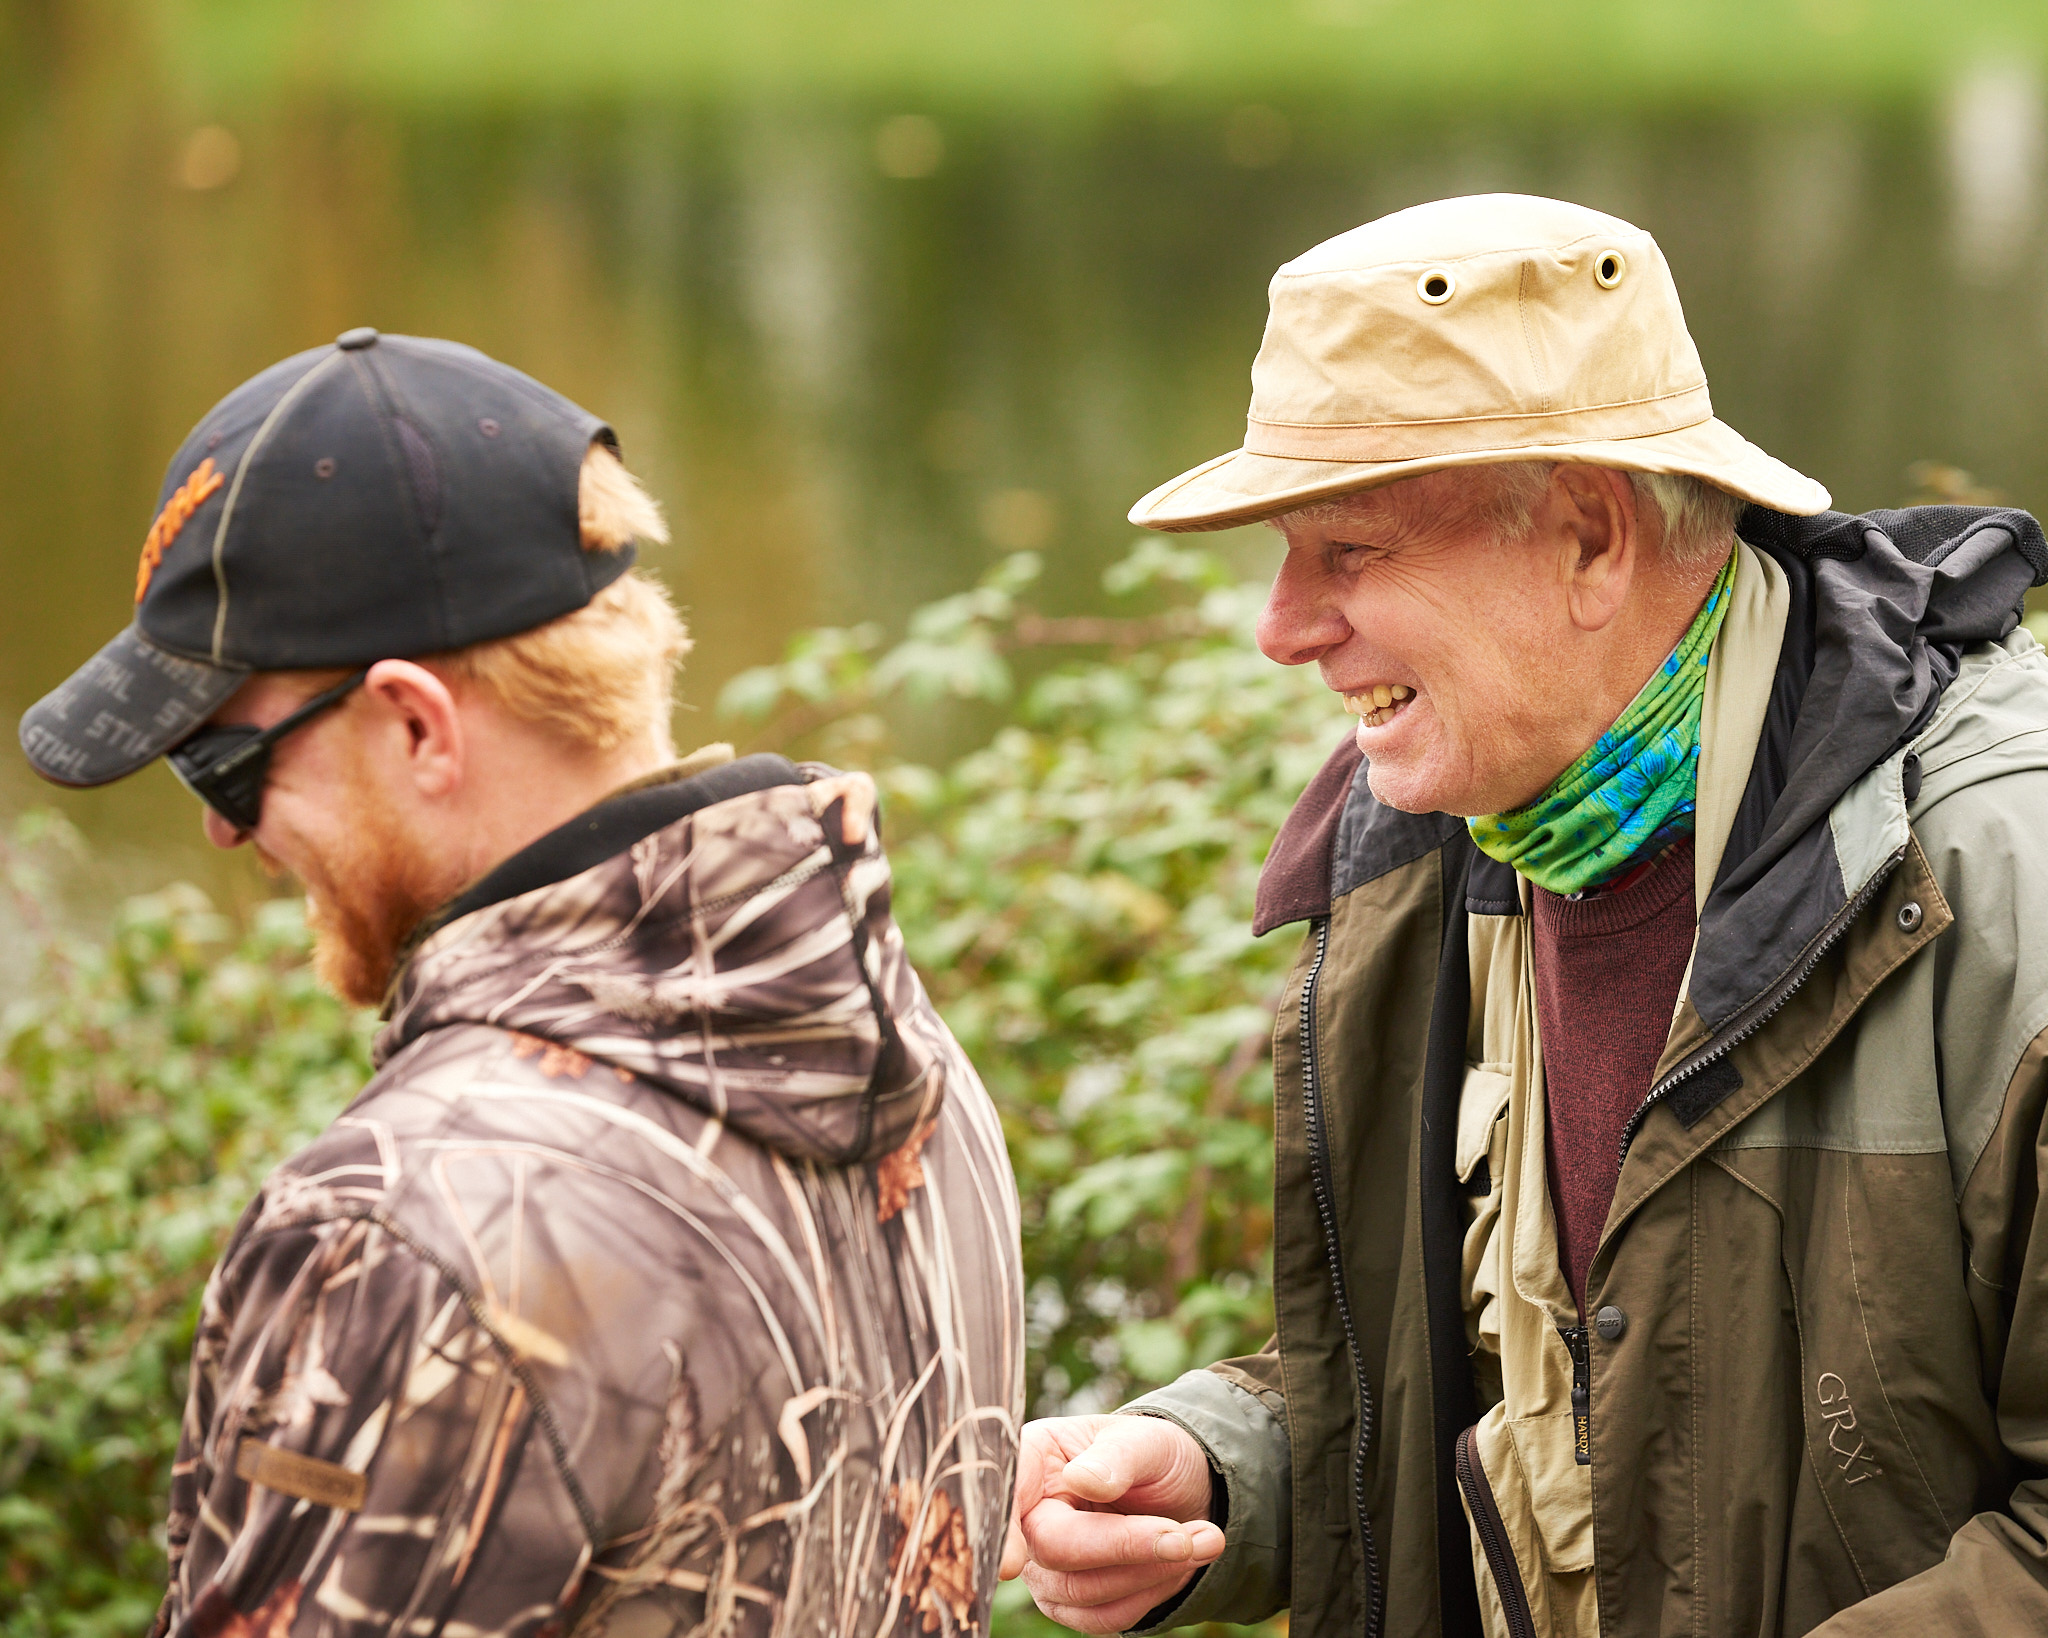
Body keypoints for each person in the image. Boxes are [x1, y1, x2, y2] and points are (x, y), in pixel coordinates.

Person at [1002, 195, 2048, 1636]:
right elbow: (1490, 1391)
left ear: (1589, 539)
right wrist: (1209, 1474)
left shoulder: (2003, 878)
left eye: (1349, 550)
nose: (1282, 625)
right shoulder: (1433, 843)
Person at [19, 329, 1023, 1638]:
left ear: (419, 724)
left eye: (225, 765)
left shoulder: (399, 1229)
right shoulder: (909, 1059)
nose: (221, 828)